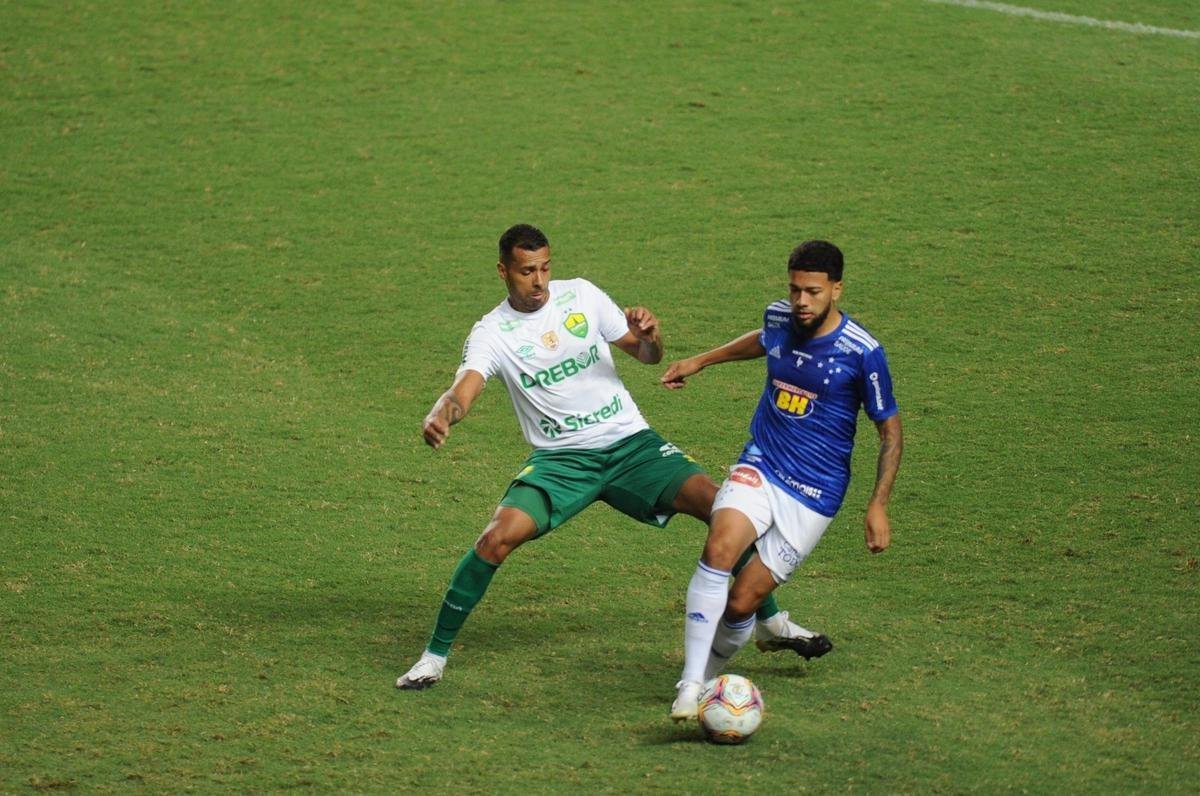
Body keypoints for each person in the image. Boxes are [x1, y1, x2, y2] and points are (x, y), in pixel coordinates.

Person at [397, 224, 817, 690]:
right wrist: (442, 415)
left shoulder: (581, 296)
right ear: (503, 271)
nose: (539, 281)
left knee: (724, 509)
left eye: (545, 268)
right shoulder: (493, 332)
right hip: (563, 461)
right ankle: (433, 657)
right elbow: (463, 390)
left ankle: (770, 622)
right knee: (495, 539)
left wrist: (651, 336)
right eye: (526, 271)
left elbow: (647, 355)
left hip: (632, 445)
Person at [660, 239, 903, 720]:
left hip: (814, 492)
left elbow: (890, 434)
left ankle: (709, 675)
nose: (801, 302)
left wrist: (878, 503)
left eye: (813, 292)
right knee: (720, 546)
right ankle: (690, 685)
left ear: (837, 289)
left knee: (743, 602)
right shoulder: (779, 318)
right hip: (762, 463)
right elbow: (762, 339)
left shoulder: (862, 353)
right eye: (795, 290)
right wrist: (700, 360)